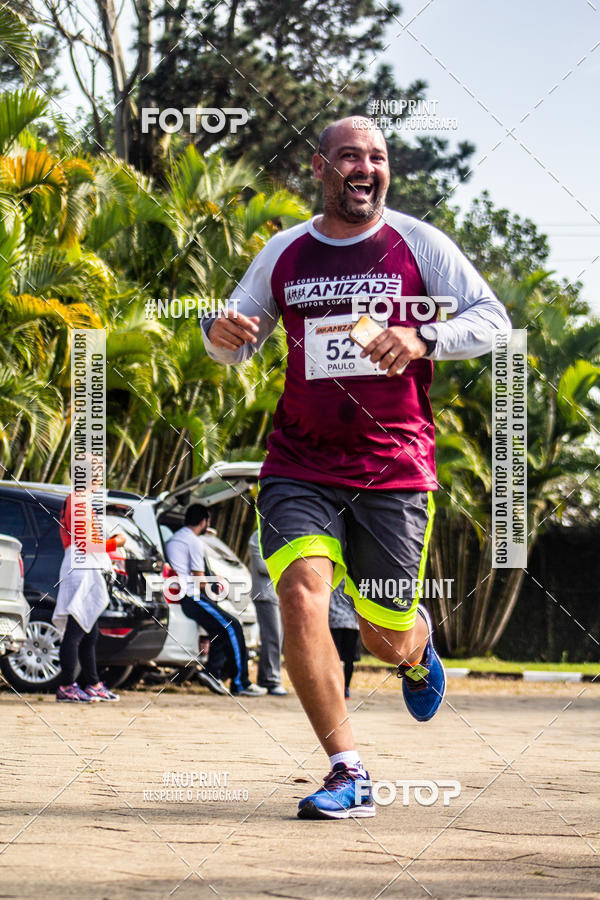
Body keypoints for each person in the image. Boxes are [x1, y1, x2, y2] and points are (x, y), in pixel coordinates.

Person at [202, 116, 511, 819]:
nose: (365, 167)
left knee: (379, 631)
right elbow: (234, 339)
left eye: (377, 156)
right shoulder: (284, 252)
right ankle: (348, 769)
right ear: (321, 168)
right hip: (299, 462)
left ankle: (415, 645)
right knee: (303, 595)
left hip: (393, 468)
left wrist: (422, 334)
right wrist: (219, 334)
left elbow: (491, 319)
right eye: (349, 156)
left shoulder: (418, 244)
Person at [166, 504, 266, 697]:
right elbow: (198, 578)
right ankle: (241, 682)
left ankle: (212, 673)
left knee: (219, 629)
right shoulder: (193, 542)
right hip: (192, 596)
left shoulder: (175, 538)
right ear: (204, 521)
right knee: (232, 625)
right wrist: (221, 590)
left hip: (184, 596)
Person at [54, 486, 126, 702]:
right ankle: (67, 686)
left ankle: (93, 684)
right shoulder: (77, 501)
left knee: (89, 633)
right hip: (82, 570)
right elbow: (86, 543)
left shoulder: (78, 501)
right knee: (76, 633)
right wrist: (116, 542)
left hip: (82, 567)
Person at [248, 529, 287, 695]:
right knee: (272, 636)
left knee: (277, 636)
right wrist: (286, 563)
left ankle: (270, 677)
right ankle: (270, 680)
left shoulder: (280, 534)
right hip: (264, 594)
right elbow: (262, 566)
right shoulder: (258, 536)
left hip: (278, 594)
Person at [329, 582, 359, 699]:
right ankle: (345, 688)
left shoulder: (330, 576)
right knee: (349, 659)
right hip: (351, 623)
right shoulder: (351, 578)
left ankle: (335, 687)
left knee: (334, 658)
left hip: (333, 621)